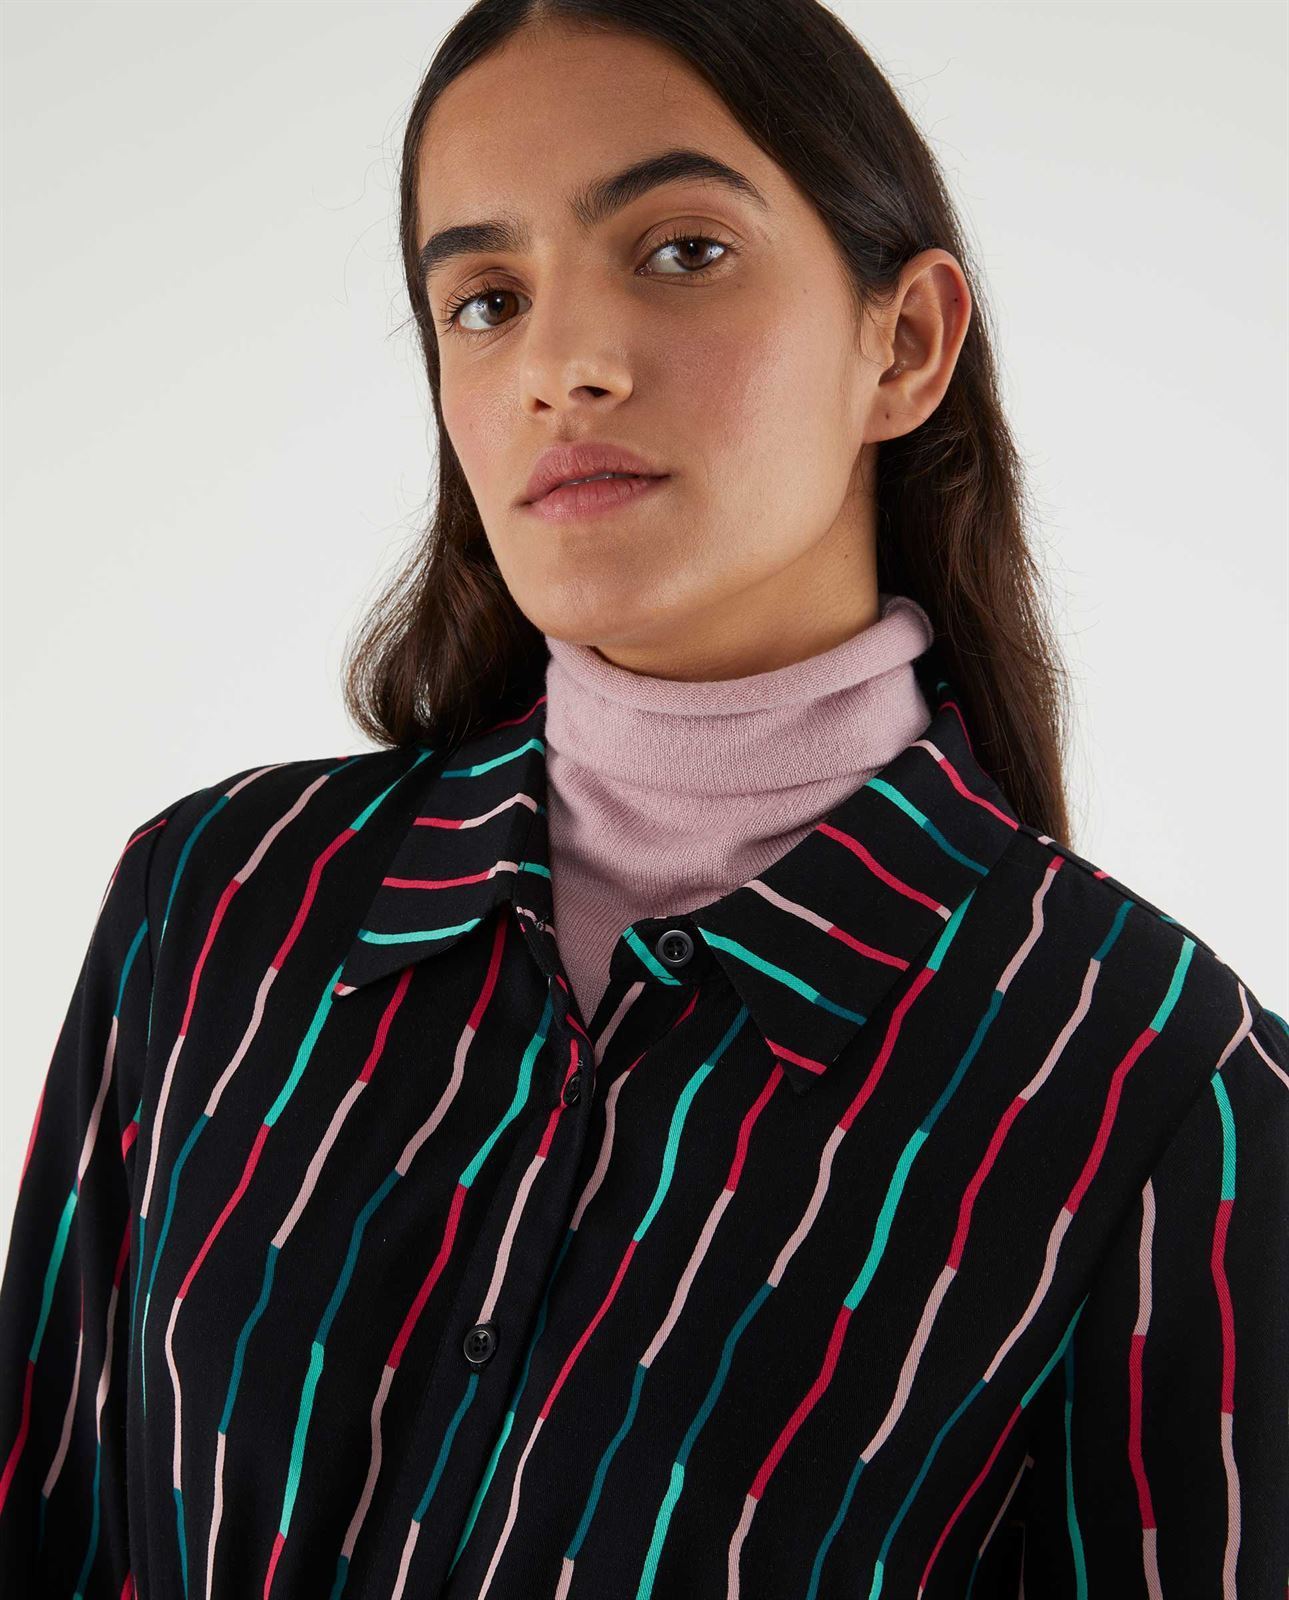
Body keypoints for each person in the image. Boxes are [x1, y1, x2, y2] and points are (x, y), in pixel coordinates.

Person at [1, 2, 1284, 1596]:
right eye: (485, 300)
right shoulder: (214, 906)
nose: (565, 366)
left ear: (903, 343)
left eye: (681, 252)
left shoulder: (1158, 1086)